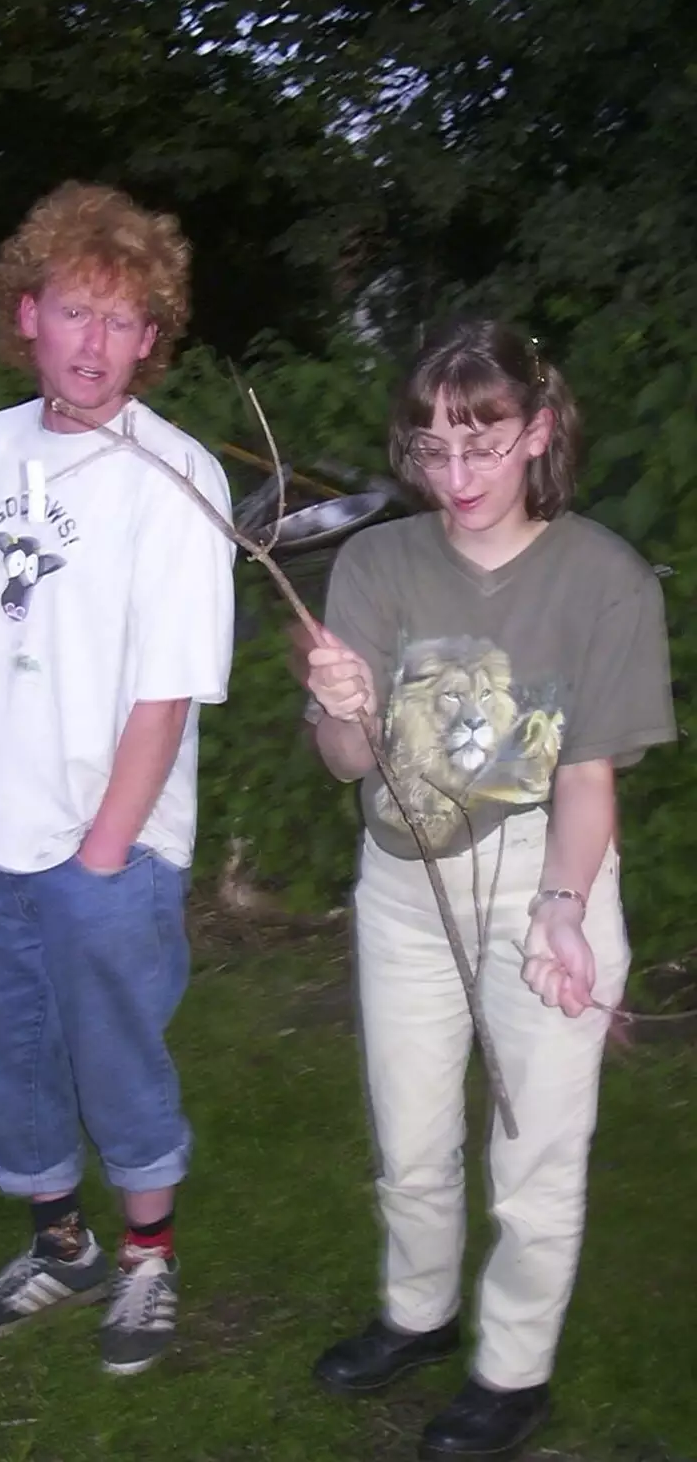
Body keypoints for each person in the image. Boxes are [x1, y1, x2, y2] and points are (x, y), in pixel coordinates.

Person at [299, 320, 675, 1460]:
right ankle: (417, 1311)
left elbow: (589, 781)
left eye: (481, 440)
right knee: (409, 1140)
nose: (454, 476)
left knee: (535, 1151)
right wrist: (341, 705)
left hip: (540, 881)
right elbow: (346, 765)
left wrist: (562, 914)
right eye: (429, 447)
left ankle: (512, 1371)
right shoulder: (376, 563)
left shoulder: (604, 578)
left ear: (537, 430)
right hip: (403, 887)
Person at [0, 181, 235, 1376]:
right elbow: (5, 599)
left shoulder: (176, 479)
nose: (95, 344)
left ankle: (148, 1261)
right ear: (28, 314)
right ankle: (62, 1241)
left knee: (114, 1053)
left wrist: (107, 852)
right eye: (74, 312)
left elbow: (169, 686)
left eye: (122, 320)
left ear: (152, 338)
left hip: (112, 831)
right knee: (7, 1049)